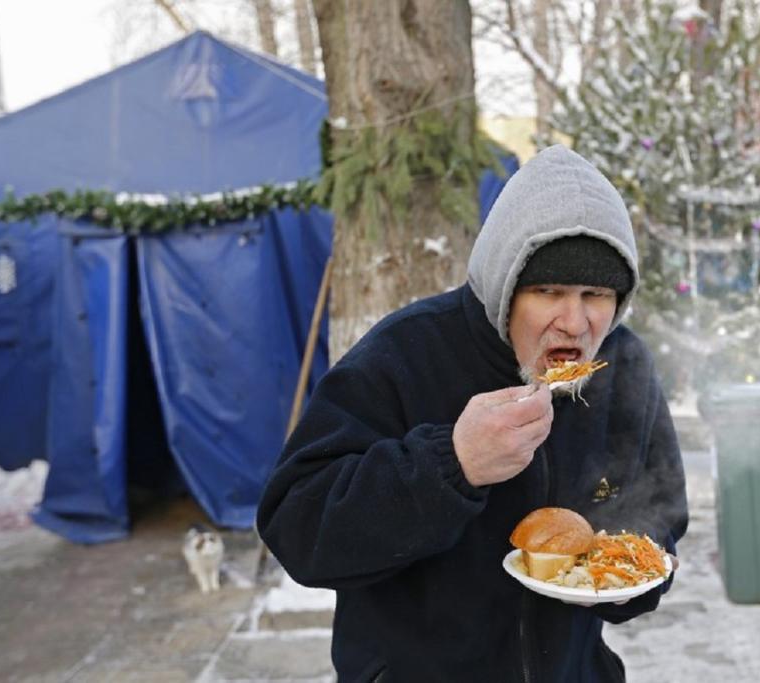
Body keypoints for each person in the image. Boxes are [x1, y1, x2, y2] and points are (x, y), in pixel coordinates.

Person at [257, 144, 689, 682]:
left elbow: (658, 512)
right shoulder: (406, 353)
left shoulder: (624, 365)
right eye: (547, 290)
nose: (575, 322)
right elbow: (297, 526)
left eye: (596, 293)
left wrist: (619, 580)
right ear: (505, 283)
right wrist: (451, 464)